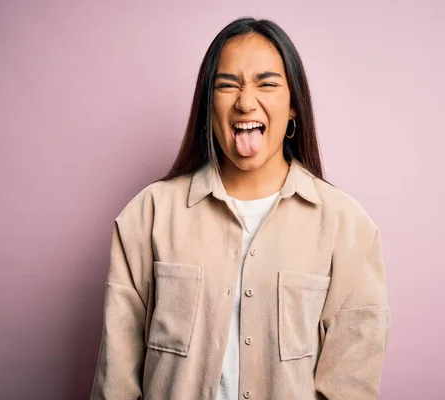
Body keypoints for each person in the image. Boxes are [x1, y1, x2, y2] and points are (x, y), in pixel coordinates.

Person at [90, 17, 390, 400]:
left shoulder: (348, 228)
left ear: (294, 106)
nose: (245, 102)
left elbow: (351, 385)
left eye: (267, 84)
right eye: (227, 85)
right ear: (207, 105)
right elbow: (115, 380)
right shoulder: (148, 216)